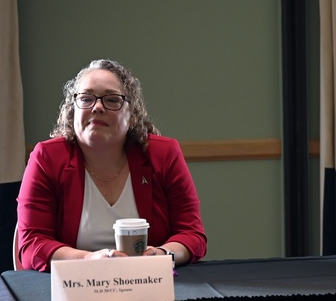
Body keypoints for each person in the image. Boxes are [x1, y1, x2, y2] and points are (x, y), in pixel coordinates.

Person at [17, 59, 207, 271]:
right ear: (73, 111)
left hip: (150, 282)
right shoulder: (47, 158)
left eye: (112, 100)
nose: (97, 107)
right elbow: (32, 244)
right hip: (74, 288)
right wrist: (90, 261)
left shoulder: (163, 154)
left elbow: (192, 234)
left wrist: (161, 255)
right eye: (86, 98)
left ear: (132, 114)